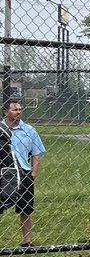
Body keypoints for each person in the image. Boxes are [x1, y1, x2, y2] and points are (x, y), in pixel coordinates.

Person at [0, 99, 46, 247]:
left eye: (20, 109)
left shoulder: (29, 130)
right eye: (15, 110)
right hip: (3, 173)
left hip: (24, 173)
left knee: (25, 209)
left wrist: (33, 173)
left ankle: (27, 241)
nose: (19, 112)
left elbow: (37, 153)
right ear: (6, 112)